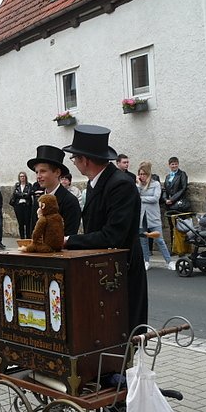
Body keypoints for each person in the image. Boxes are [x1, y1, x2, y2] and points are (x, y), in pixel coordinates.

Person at [63, 125, 147, 332]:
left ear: (86, 160)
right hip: (100, 268)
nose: (74, 163)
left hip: (121, 269)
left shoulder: (120, 185)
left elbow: (113, 236)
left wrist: (69, 241)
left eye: (74, 158)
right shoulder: (95, 183)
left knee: (122, 331)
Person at [27, 145, 81, 236]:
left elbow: (70, 235)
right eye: (37, 172)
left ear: (57, 172)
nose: (38, 176)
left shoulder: (70, 201)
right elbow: (32, 233)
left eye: (43, 171)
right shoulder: (38, 200)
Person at [137, 161, 174, 271]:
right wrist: (139, 185)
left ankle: (169, 261)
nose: (142, 176)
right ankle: (146, 260)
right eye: (140, 174)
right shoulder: (138, 185)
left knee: (159, 239)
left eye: (144, 174)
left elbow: (155, 198)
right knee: (143, 240)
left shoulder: (155, 184)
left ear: (148, 174)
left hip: (153, 216)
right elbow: (135, 196)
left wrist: (141, 199)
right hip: (141, 216)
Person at [10, 172, 33, 239]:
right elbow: (15, 194)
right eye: (21, 176)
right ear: (19, 178)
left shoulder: (29, 185)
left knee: (28, 223)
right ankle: (22, 238)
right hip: (18, 206)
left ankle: (28, 238)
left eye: (23, 176)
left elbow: (28, 194)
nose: (22, 178)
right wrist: (23, 194)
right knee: (20, 223)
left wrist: (20, 194)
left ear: (25, 177)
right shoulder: (17, 185)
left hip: (26, 205)